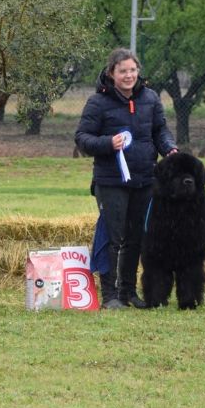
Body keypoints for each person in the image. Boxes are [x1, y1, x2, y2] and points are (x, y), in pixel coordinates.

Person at [75, 48, 177, 310]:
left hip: (145, 179)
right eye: (123, 71)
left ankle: (128, 292)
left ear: (138, 71)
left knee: (137, 238)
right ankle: (109, 296)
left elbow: (159, 130)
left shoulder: (151, 98)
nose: (128, 75)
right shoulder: (98, 103)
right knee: (113, 237)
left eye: (132, 70)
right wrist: (108, 142)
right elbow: (83, 138)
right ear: (112, 73)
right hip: (111, 182)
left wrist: (169, 148)